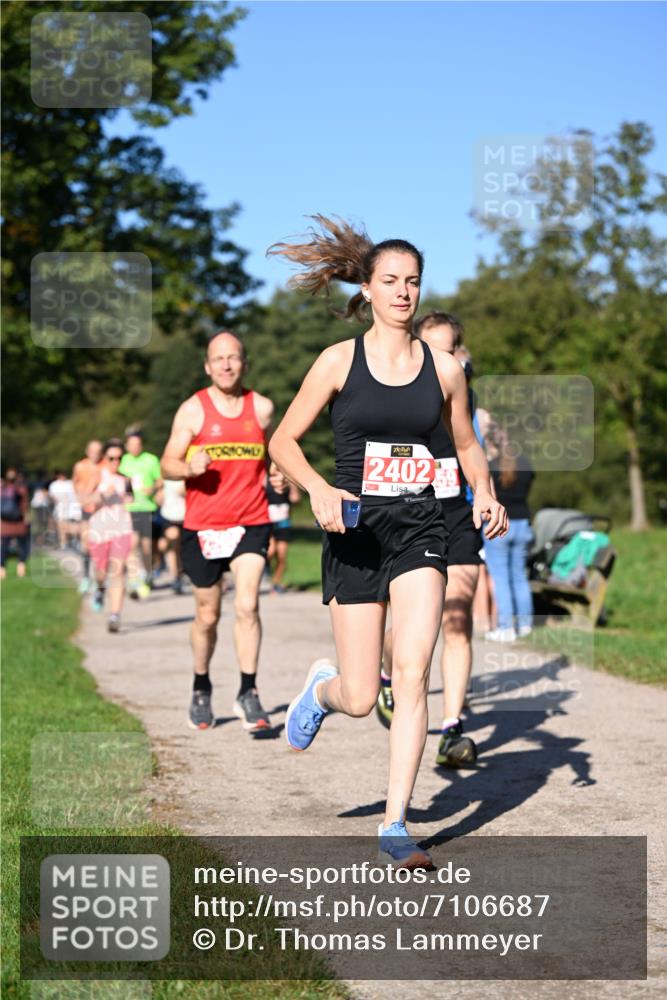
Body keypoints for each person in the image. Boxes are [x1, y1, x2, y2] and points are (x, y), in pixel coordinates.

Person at [267, 216, 507, 868]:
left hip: (422, 527)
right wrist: (317, 487)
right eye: (390, 281)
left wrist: (482, 492)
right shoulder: (338, 361)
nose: (403, 293)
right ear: (367, 289)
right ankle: (321, 692)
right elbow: (281, 441)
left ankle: (396, 824)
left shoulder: (444, 370)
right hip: (353, 529)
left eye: (412, 283)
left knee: (411, 673)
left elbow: (463, 447)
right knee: (359, 695)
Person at [160, 331, 285, 734]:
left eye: (234, 358)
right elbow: (167, 463)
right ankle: (201, 686)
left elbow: (276, 455)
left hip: (251, 519)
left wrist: (279, 474)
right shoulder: (193, 411)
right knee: (207, 615)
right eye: (219, 358)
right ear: (208, 366)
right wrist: (187, 468)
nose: (227, 365)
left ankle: (248, 690)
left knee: (247, 605)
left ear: (245, 363)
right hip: (203, 526)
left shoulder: (262, 408)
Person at [377, 315, 485, 769]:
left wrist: (485, 493)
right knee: (403, 630)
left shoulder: (464, 392)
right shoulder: (396, 388)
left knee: (456, 620)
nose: (443, 359)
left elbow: (471, 449)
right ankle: (386, 675)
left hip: (456, 517)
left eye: (450, 350)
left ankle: (452, 728)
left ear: (459, 352)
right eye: (433, 349)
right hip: (409, 517)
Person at [483, 448, 535, 642]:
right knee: (519, 576)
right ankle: (525, 625)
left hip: (499, 523)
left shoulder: (491, 465)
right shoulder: (526, 464)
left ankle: (506, 627)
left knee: (501, 578)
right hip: (522, 523)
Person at [87, 439, 134, 632]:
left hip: (121, 528)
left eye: (119, 458)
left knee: (118, 570)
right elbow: (85, 501)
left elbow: (131, 499)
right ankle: (99, 588)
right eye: (111, 458)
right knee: (101, 571)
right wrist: (101, 495)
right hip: (99, 530)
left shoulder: (126, 479)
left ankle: (115, 615)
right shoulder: (97, 476)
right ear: (104, 459)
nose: (116, 462)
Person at [119, 427, 162, 599]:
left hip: (147, 507)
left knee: (146, 547)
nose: (135, 447)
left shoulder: (151, 460)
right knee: (132, 544)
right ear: (127, 445)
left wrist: (153, 488)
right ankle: (134, 579)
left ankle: (148, 572)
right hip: (129, 509)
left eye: (138, 444)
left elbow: (160, 480)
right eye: (132, 444)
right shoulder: (122, 461)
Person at [72, 439, 103, 593]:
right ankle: (86, 577)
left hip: (102, 512)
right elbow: (75, 484)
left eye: (98, 451)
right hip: (86, 510)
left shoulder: (105, 466)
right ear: (87, 451)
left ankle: (100, 579)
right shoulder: (80, 466)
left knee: (100, 545)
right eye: (93, 451)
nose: (95, 454)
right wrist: (80, 498)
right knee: (86, 544)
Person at [266, 479, 300, 593]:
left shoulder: (288, 481)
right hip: (268, 522)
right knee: (270, 551)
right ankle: (265, 569)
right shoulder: (266, 479)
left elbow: (295, 499)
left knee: (281, 556)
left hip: (283, 522)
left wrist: (292, 485)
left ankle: (276, 583)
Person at [155, 478, 186, 593]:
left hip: (187, 516)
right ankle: (175, 577)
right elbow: (158, 499)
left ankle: (180, 573)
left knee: (181, 548)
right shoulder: (164, 477)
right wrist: (159, 491)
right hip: (169, 516)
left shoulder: (187, 472)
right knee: (172, 544)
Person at [1, 467, 30, 579]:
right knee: (23, 544)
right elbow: (25, 504)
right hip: (19, 521)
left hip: (4, 522)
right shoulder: (21, 489)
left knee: (3, 546)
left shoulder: (2, 488)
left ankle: (2, 569)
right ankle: (21, 566)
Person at [48, 471, 81, 549]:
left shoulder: (69, 483)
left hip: (70, 508)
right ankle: (64, 542)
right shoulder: (55, 485)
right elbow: (52, 497)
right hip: (62, 507)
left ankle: (71, 540)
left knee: (70, 525)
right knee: (62, 525)